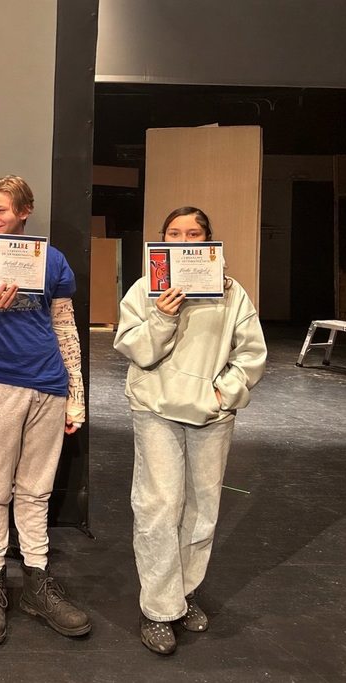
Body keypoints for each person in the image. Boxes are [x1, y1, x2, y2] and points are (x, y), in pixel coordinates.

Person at [113, 206, 266, 655]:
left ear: (207, 239)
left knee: (202, 509)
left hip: (210, 414)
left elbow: (251, 352)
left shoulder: (231, 292)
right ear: (162, 239)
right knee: (158, 506)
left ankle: (185, 593)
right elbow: (133, 348)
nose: (183, 240)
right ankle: (159, 609)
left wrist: (225, 392)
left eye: (193, 233)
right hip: (156, 407)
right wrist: (161, 317)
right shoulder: (145, 289)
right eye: (174, 233)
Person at [0, 175, 91, 646]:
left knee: (36, 489)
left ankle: (36, 579)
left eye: (2, 211)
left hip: (48, 384)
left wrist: (76, 395)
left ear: (24, 211)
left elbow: (65, 328)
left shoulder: (52, 261)